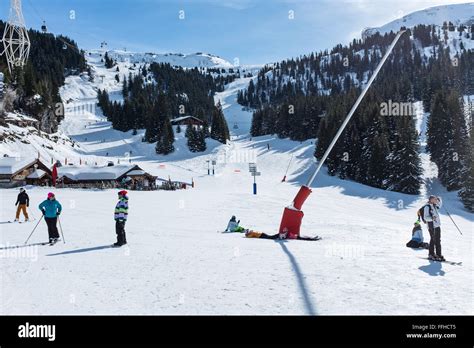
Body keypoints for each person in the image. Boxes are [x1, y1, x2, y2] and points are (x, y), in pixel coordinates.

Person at [422, 195, 444, 261]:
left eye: (436, 199)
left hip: (437, 225)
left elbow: (440, 205)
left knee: (438, 240)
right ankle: (431, 254)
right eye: (434, 199)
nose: (436, 201)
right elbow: (425, 217)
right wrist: (432, 218)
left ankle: (438, 254)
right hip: (431, 226)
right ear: (431, 199)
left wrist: (439, 198)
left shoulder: (434, 206)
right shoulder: (427, 207)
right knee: (433, 240)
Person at [245, 227, 319, 241]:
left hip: (264, 235)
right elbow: (248, 236)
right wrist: (248, 234)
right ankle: (312, 239)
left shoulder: (252, 233)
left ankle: (312, 238)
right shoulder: (251, 234)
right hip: (264, 236)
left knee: (303, 237)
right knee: (303, 237)